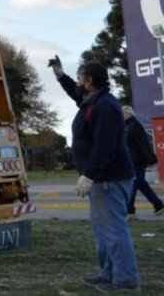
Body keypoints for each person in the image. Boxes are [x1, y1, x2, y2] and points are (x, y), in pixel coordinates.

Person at [49, 56, 139, 293]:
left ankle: (126, 281)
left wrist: (88, 175)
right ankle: (108, 274)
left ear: (89, 81)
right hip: (102, 179)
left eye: (79, 78)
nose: (77, 83)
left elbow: (105, 146)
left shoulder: (105, 106)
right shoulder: (93, 101)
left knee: (114, 230)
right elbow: (74, 93)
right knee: (103, 230)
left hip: (109, 178)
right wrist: (60, 75)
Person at [122, 104, 164, 216]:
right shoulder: (127, 127)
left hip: (138, 162)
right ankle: (159, 205)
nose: (122, 115)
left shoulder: (135, 125)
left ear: (130, 113)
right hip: (132, 162)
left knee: (133, 184)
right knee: (141, 184)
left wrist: (152, 160)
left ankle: (129, 210)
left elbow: (143, 144)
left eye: (124, 113)